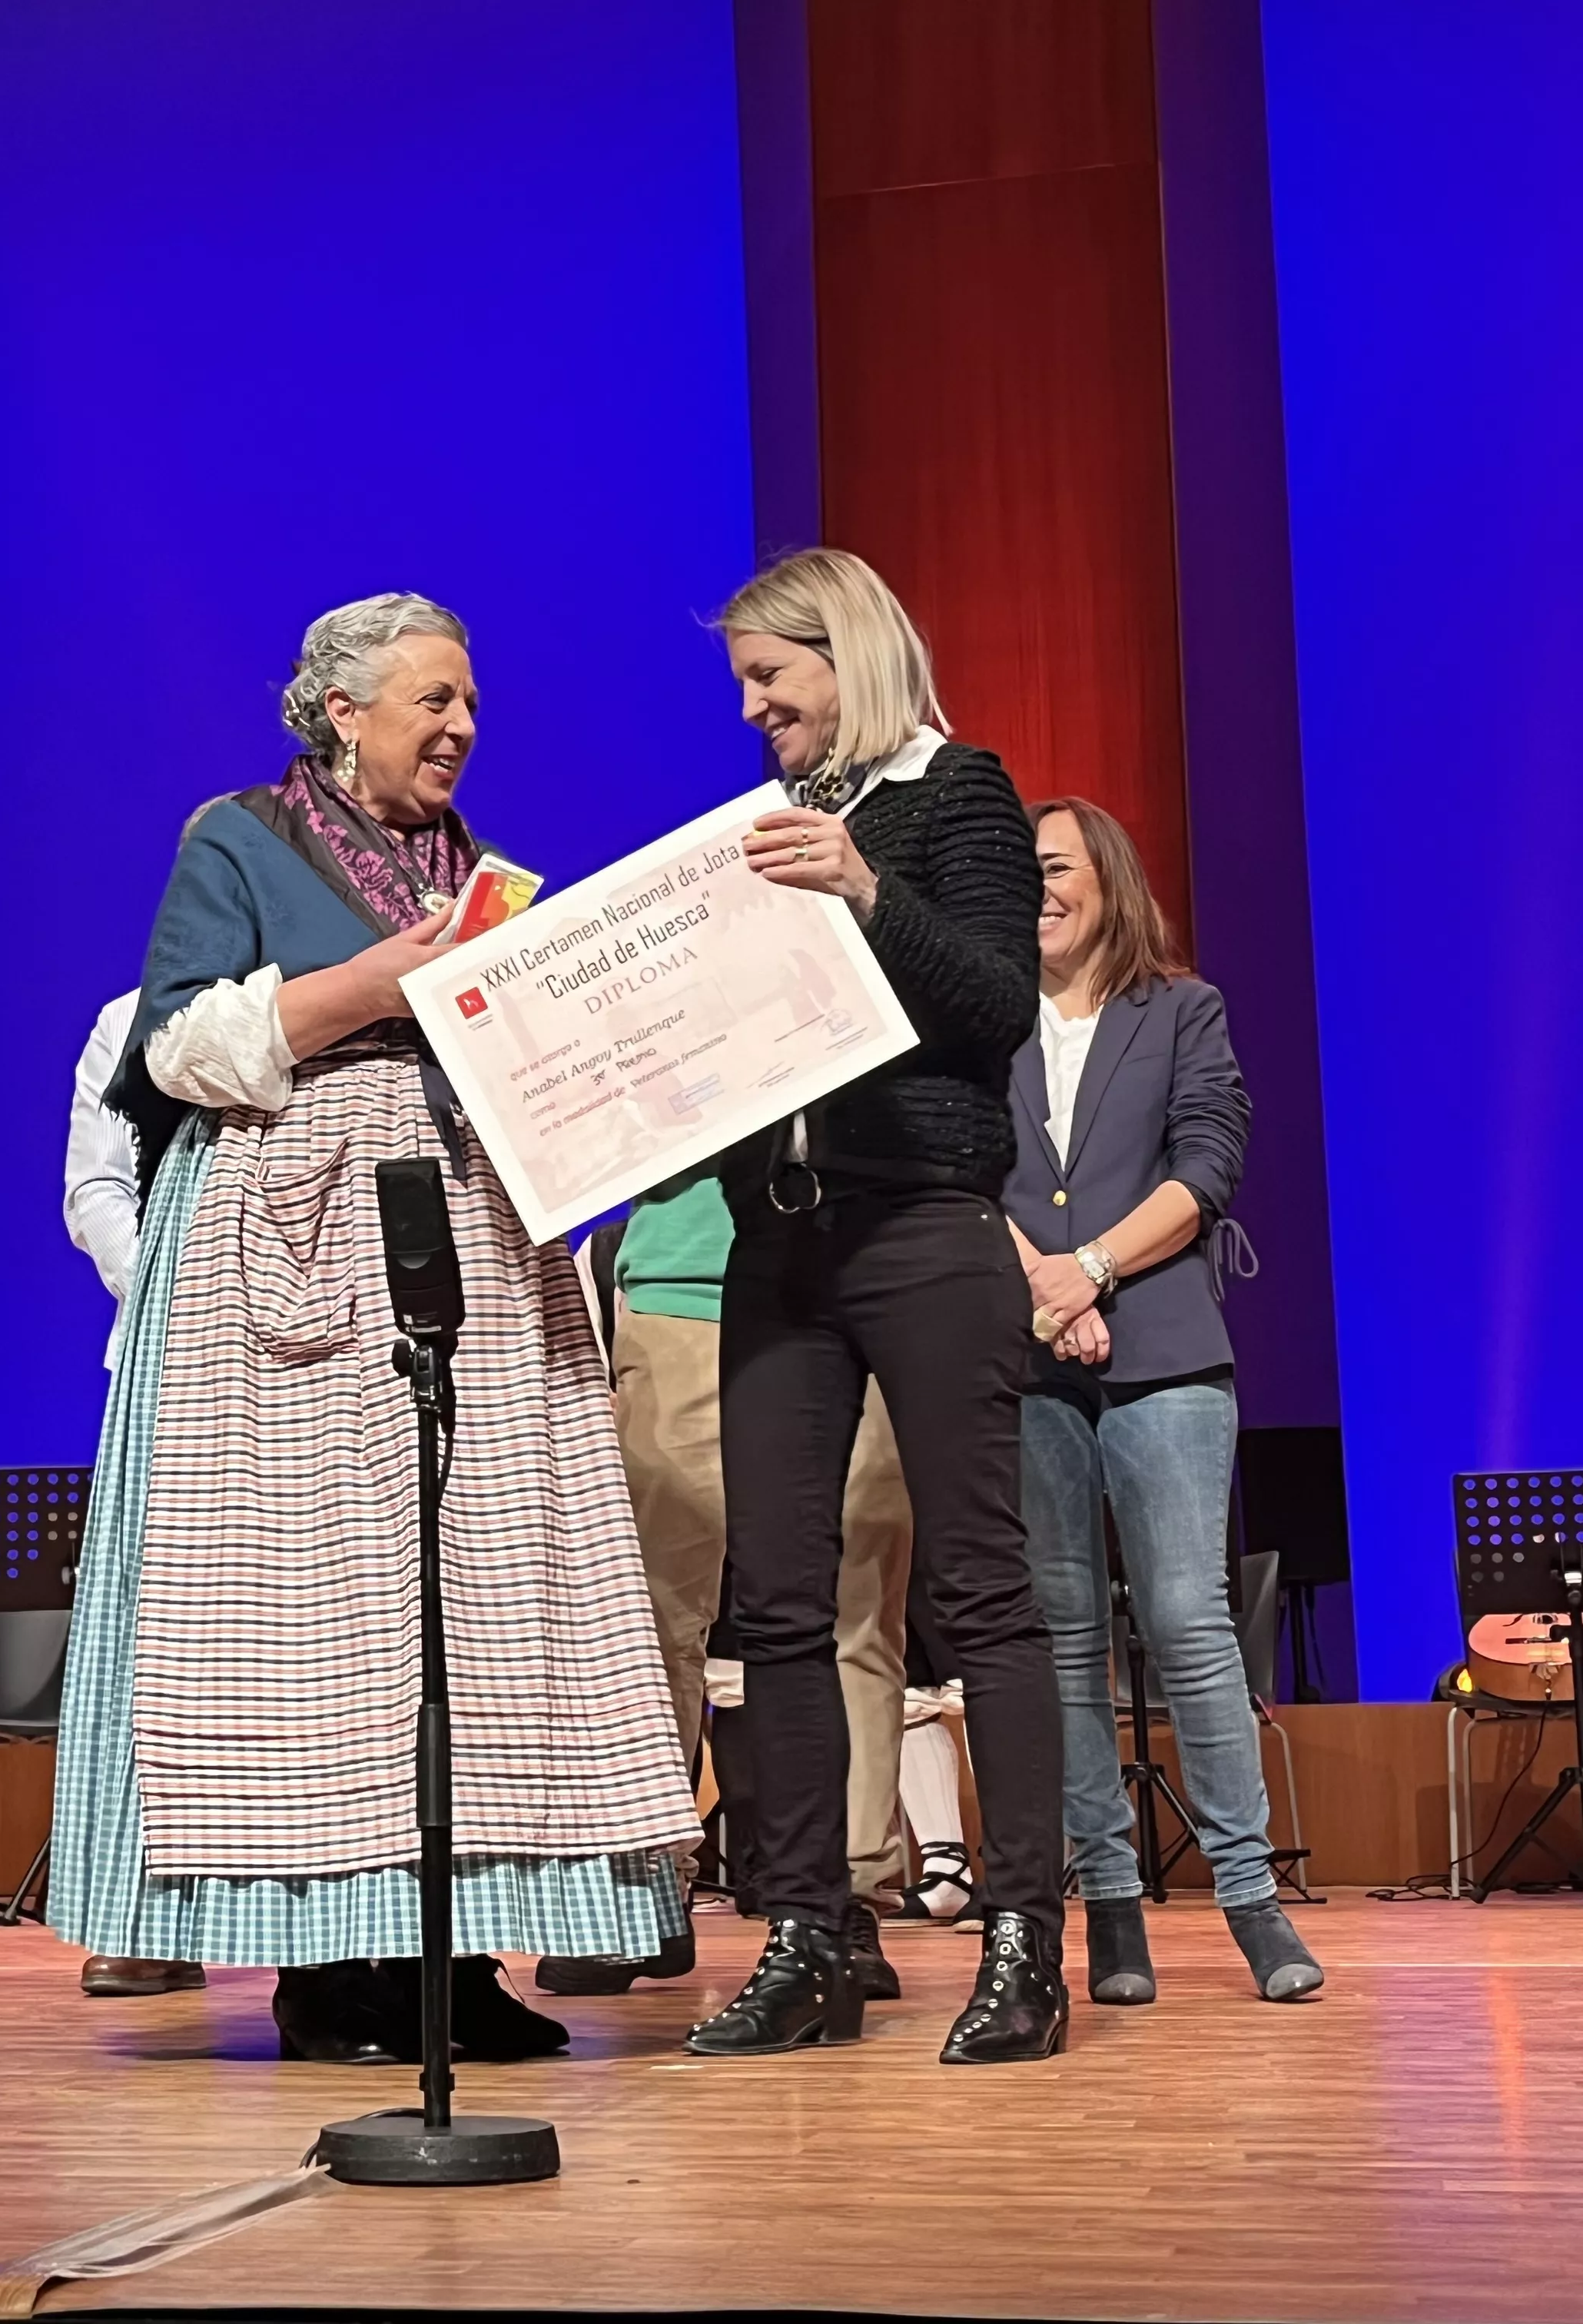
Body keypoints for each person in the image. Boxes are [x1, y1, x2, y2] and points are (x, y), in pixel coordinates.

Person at [48, 592, 695, 2065]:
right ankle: (330, 1973)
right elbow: (177, 1046)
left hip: (470, 1215)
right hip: (300, 1230)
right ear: (342, 710)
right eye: (434, 700)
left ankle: (459, 1963)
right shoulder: (240, 838)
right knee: (315, 1605)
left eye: (470, 703)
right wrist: (377, 981)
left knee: (477, 1596)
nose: (461, 726)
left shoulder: (482, 874)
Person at [689, 548, 1068, 2065]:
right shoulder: (758, 831)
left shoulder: (955, 792)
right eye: (741, 688)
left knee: (978, 1592)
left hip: (922, 1228)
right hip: (776, 1241)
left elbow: (993, 1002)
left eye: (769, 677)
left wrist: (862, 886)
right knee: (773, 1600)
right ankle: (811, 1936)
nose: (754, 709)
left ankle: (1026, 1941)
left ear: (842, 654)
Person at [1008, 798, 1322, 2005]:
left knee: (1190, 1626)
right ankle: (1113, 1909)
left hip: (1168, 1360)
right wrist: (1043, 1289)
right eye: (1024, 871)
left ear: (1109, 880)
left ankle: (1252, 1901)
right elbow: (968, 1173)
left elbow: (1207, 1169)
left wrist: (1087, 1272)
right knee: (1065, 1641)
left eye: (1058, 869)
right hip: (1029, 1360)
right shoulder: (987, 1025)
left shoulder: (1184, 1011)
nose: (1040, 889)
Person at [535, 1170, 918, 2000]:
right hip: (685, 1283)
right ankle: (644, 1890)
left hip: (860, 1273)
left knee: (853, 1614)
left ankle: (845, 1893)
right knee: (652, 1620)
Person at [59, 988, 206, 2000]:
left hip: (330, 1356)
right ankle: (146, 1912)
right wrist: (176, 1290)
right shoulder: (130, 1018)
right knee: (161, 1642)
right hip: (178, 1347)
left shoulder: (354, 994)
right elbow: (97, 1190)